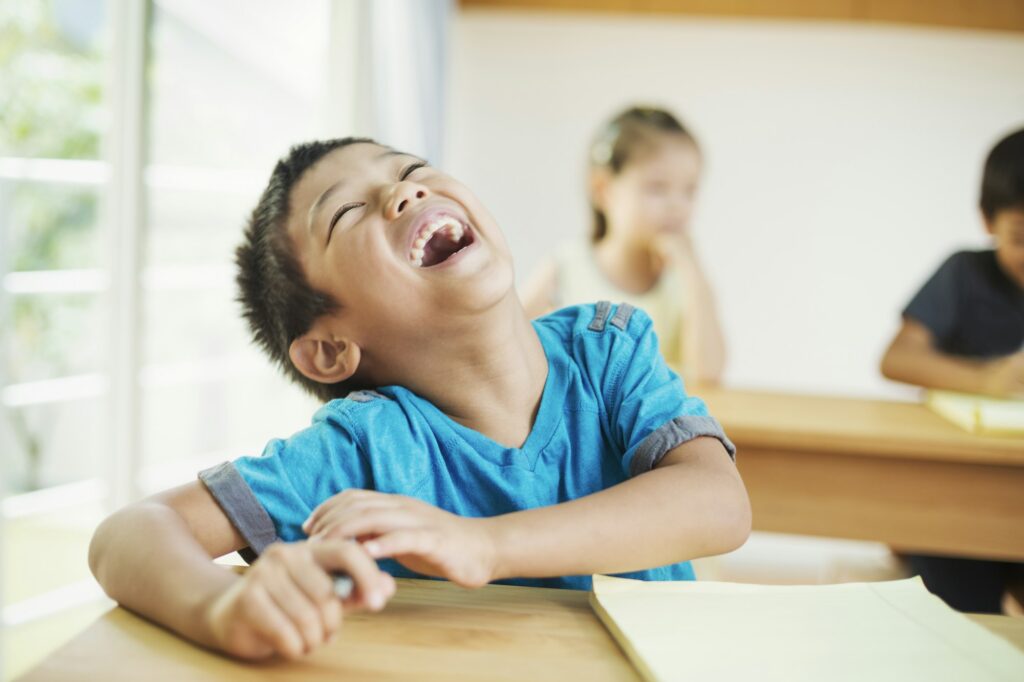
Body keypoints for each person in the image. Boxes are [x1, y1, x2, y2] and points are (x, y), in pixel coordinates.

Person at [89, 137, 751, 660]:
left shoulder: (608, 349)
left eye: (409, 168)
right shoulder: (365, 446)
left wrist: (484, 545)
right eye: (347, 212)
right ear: (330, 350)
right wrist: (220, 611)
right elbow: (126, 536)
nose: (403, 192)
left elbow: (720, 505)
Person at [880, 127, 1024, 613]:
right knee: (958, 612)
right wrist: (989, 380)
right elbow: (897, 359)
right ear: (987, 219)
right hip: (957, 498)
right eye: (1021, 237)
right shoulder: (964, 274)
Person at [522, 106, 726, 382]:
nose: (677, 206)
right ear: (602, 190)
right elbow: (506, 343)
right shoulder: (566, 267)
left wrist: (692, 270)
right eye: (658, 188)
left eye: (689, 190)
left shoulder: (683, 279)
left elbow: (709, 372)